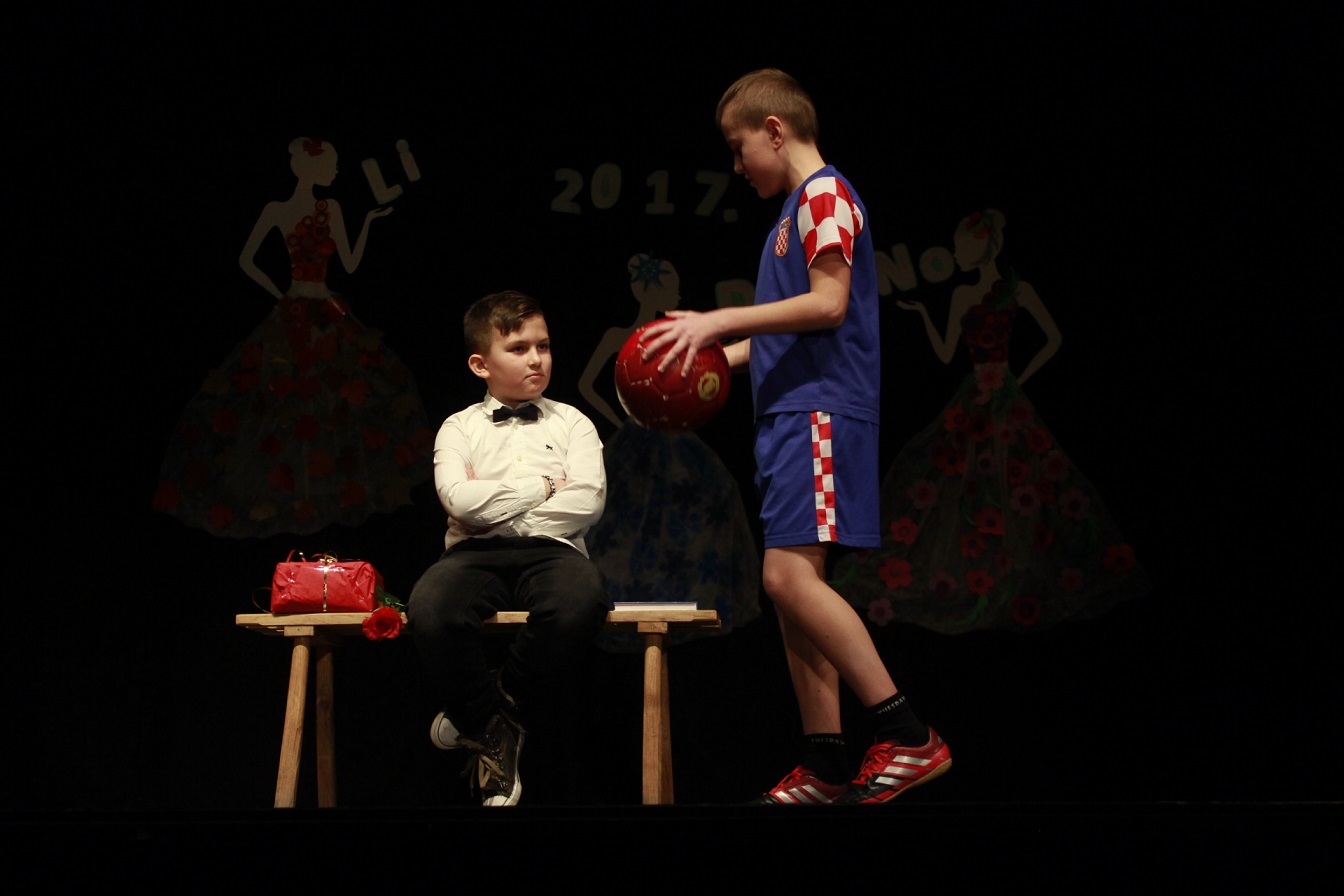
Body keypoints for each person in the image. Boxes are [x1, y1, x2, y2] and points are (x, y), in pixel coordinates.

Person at [640, 69, 950, 805]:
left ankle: (908, 734)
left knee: (786, 578)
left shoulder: (825, 195)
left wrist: (719, 319)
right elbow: (786, 329)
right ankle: (826, 763)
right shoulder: (792, 213)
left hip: (820, 411)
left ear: (775, 131)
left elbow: (829, 303)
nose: (737, 163)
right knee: (791, 591)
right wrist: (704, 359)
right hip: (789, 414)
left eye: (739, 146)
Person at [832, 210, 1147, 632]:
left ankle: (1018, 576)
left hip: (1003, 395)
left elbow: (1053, 338)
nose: (958, 254)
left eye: (964, 246)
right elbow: (947, 353)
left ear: (985, 246)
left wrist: (1018, 378)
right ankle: (981, 578)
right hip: (977, 394)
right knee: (958, 482)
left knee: (1021, 481)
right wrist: (924, 314)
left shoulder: (1017, 289)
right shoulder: (964, 295)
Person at [153, 137, 432, 536]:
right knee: (296, 397)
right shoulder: (295, 209)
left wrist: (367, 223)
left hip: (314, 307)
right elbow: (251, 260)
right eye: (330, 165)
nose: (335, 171)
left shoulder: (318, 208)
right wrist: (281, 294)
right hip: (307, 309)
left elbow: (343, 263)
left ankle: (317, 494)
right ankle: (300, 495)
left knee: (324, 396)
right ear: (312, 168)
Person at [406, 290, 609, 807]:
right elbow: (458, 500)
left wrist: (495, 511)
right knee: (430, 609)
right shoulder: (459, 426)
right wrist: (544, 486)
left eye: (543, 345)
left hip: (553, 549)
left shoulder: (573, 422)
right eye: (519, 349)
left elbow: (586, 502)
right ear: (481, 364)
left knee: (579, 603)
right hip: (474, 554)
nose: (537, 358)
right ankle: (495, 724)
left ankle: (486, 713)